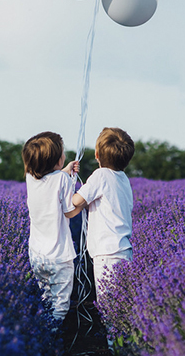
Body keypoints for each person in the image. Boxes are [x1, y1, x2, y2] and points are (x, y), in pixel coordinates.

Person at [23, 131, 83, 323]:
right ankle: (54, 338)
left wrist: (64, 171)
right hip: (59, 255)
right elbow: (69, 211)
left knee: (46, 298)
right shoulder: (62, 180)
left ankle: (43, 334)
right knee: (60, 304)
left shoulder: (30, 178)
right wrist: (84, 200)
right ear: (57, 160)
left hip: (37, 255)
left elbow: (50, 181)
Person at [71, 127, 134, 305]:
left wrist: (69, 184)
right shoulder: (123, 178)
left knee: (109, 307)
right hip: (124, 251)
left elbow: (77, 201)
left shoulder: (100, 175)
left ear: (97, 154)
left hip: (107, 254)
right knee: (122, 304)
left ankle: (113, 333)